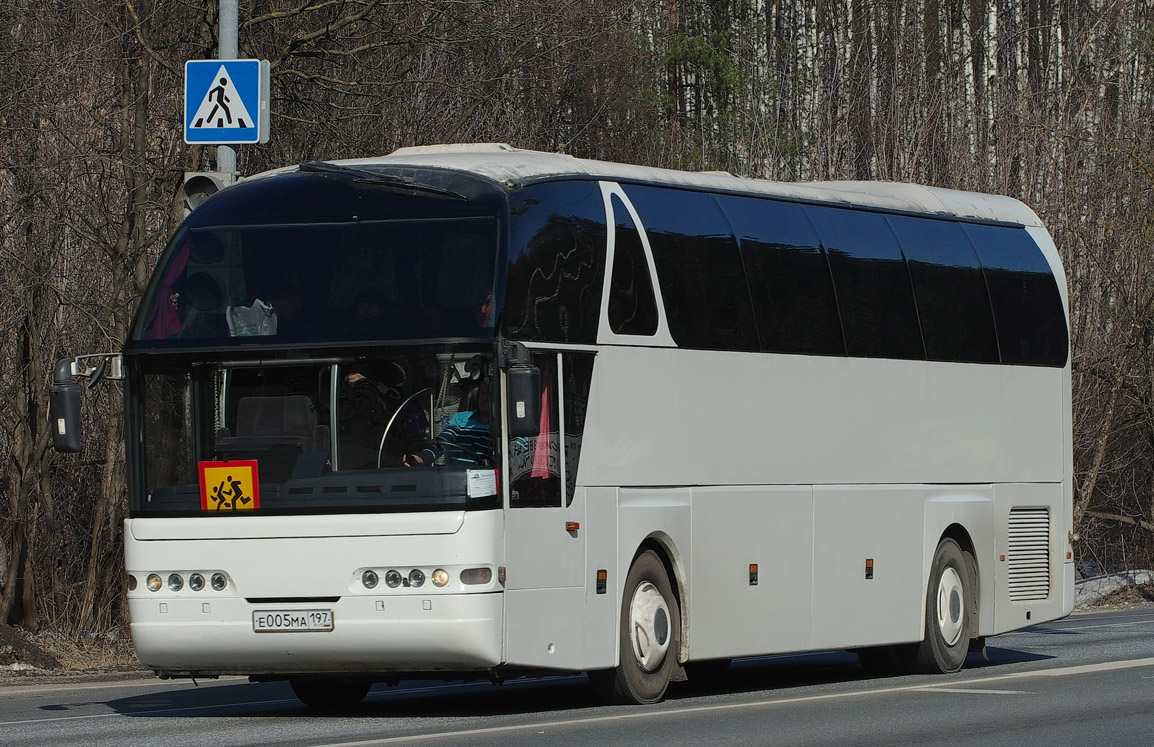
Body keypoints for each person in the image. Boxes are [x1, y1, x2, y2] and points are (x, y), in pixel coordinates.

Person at [403, 383, 492, 467]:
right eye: (483, 393)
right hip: (453, 475)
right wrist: (423, 458)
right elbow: (444, 440)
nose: (484, 398)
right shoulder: (461, 418)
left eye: (490, 394)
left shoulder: (502, 424)